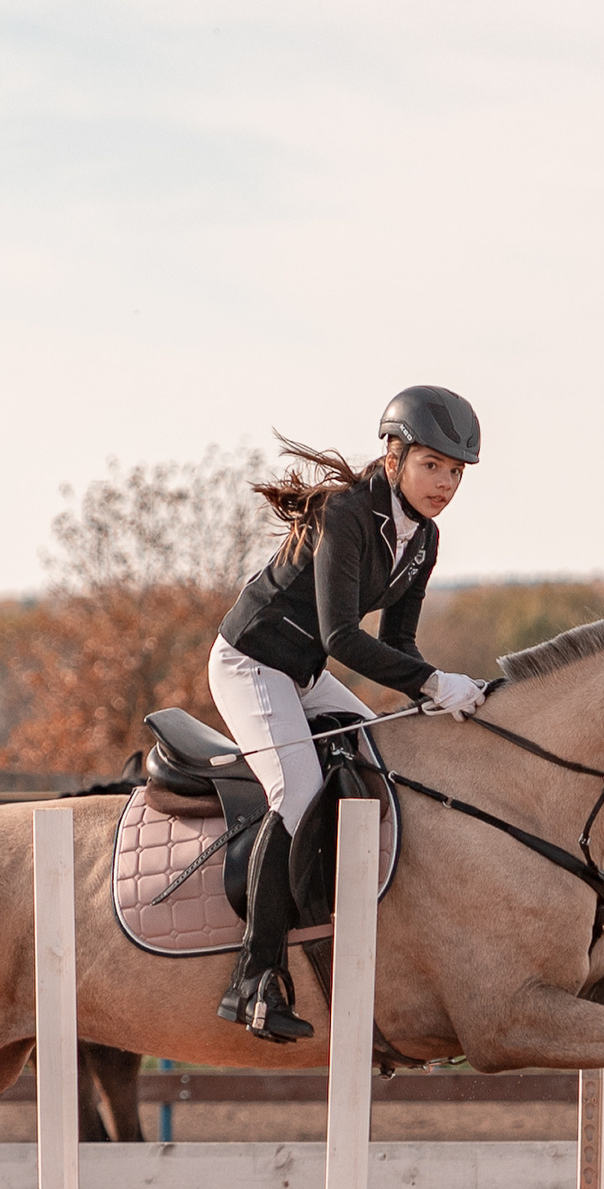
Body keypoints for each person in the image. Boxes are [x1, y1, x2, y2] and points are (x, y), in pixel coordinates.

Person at [208, 385, 490, 1042]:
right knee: (298, 791)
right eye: (432, 465)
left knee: (384, 765)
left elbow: (397, 643)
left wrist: (442, 694)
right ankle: (254, 979)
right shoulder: (345, 514)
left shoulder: (425, 540)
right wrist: (432, 683)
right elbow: (340, 636)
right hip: (251, 664)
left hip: (305, 676)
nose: (445, 484)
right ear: (393, 457)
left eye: (456, 473)